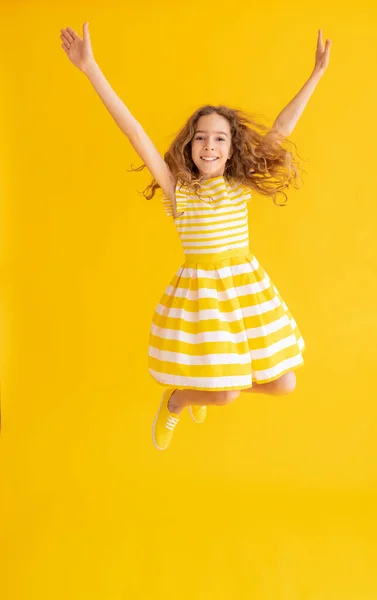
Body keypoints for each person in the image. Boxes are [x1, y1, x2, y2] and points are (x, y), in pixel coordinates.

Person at [60, 23, 331, 450]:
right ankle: (179, 400)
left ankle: (203, 390)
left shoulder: (240, 184)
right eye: (201, 137)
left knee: (285, 384)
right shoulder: (177, 191)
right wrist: (90, 68)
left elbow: (282, 125)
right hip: (203, 297)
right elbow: (134, 131)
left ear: (231, 147)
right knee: (224, 392)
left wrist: (315, 75)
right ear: (189, 145)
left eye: (219, 138)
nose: (209, 145)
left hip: (244, 292)